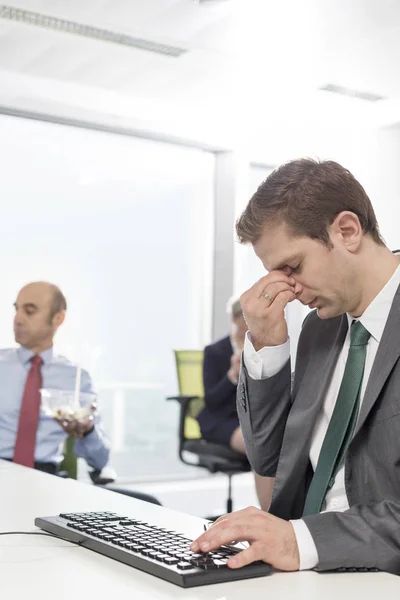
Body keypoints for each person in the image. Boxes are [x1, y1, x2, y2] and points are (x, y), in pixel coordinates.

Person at [191, 158, 400, 575]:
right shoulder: (318, 329)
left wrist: (299, 540)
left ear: (347, 231)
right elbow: (271, 461)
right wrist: (267, 345)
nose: (288, 288)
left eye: (293, 267)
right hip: (298, 569)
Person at [0, 281, 110, 474]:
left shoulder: (76, 379)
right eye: (16, 310)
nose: (18, 319)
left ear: (58, 319)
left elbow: (100, 461)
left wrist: (87, 431)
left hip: (45, 477)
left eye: (30, 311)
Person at [197, 297, 274, 511]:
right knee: (261, 443)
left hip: (252, 418)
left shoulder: (263, 347)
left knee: (278, 438)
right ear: (235, 318)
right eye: (245, 318)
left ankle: (286, 511)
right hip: (220, 419)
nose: (250, 323)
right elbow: (211, 400)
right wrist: (232, 375)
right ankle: (270, 512)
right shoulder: (215, 352)